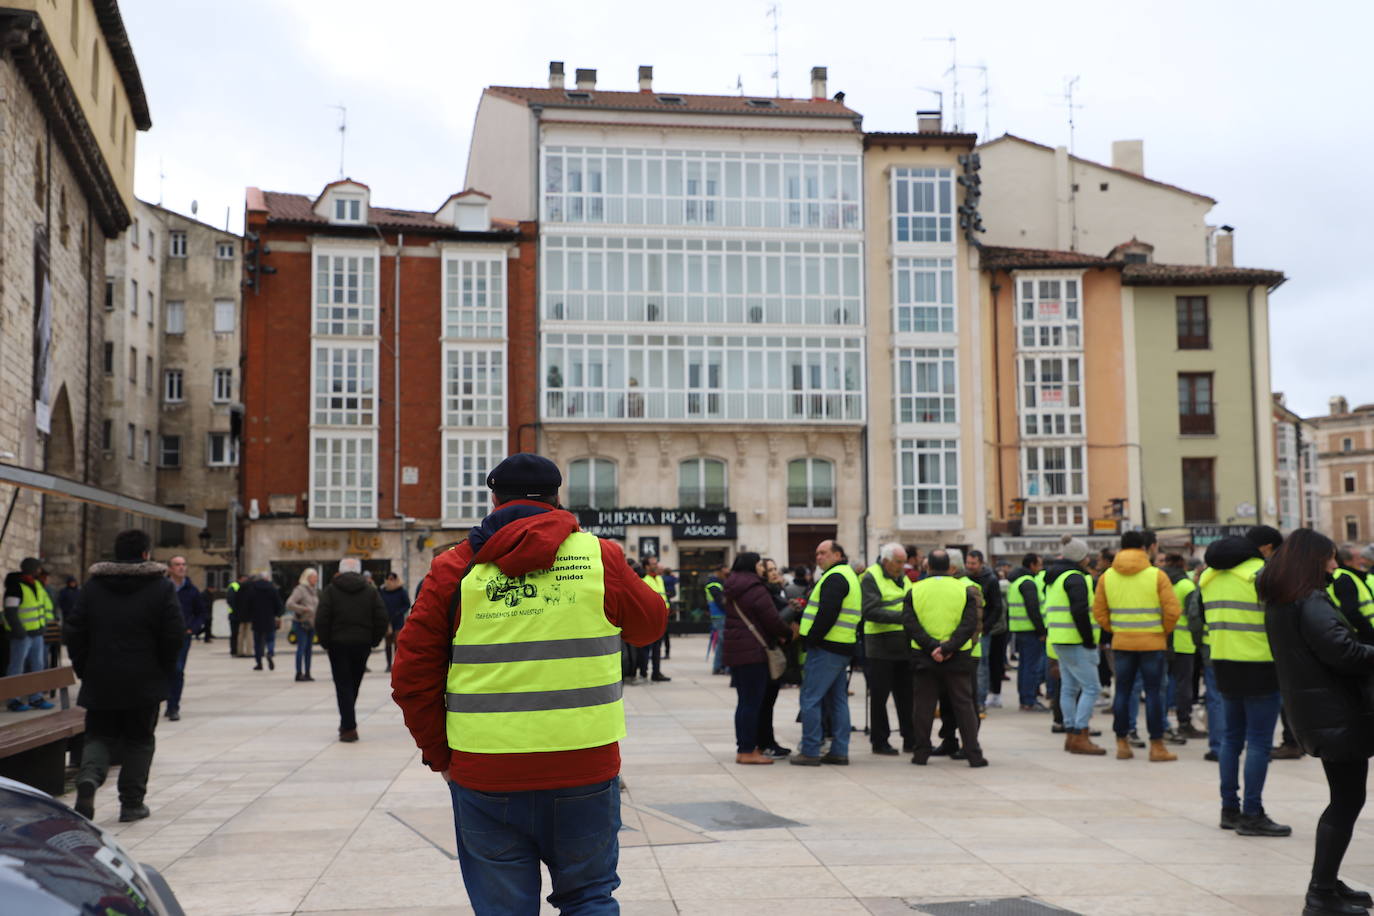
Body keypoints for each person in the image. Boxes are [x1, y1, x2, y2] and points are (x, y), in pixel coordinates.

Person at [391, 453, 667, 913]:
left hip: (486, 773)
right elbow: (649, 628)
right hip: (585, 767)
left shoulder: (454, 568)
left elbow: (411, 678)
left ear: (494, 499)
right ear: (559, 499)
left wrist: (441, 756)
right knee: (589, 899)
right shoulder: (601, 557)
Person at [1260, 529, 1374, 916]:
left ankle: (1327, 882)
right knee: (1346, 801)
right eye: (1330, 558)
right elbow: (1344, 654)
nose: (1336, 564)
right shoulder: (1309, 601)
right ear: (1313, 559)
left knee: (1344, 799)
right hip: (1337, 713)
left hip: (1319, 711)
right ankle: (1321, 893)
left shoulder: (1284, 600)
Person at [65, 529, 183, 823]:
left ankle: (89, 777)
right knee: (139, 739)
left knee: (99, 734)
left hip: (101, 676)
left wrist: (85, 668)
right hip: (145, 678)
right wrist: (164, 669)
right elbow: (174, 634)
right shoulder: (161, 587)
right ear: (145, 554)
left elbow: (75, 631)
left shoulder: (93, 588)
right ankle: (131, 804)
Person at [1201, 529, 1291, 837]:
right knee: (1259, 742)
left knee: (1231, 740)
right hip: (1260, 665)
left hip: (1224, 662)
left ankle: (1229, 809)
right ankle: (1252, 813)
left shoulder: (1208, 578)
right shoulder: (1261, 575)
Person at [1094, 530, 1181, 762]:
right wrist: (1161, 631)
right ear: (1145, 548)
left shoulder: (1107, 576)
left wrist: (1116, 629)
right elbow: (1173, 610)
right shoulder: (1157, 576)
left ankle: (1122, 743)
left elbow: (1099, 612)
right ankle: (1156, 746)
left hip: (1122, 641)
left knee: (1122, 691)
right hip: (1152, 642)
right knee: (1153, 693)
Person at [906, 549, 985, 767]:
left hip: (924, 656)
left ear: (927, 567)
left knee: (923, 706)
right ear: (951, 567)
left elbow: (910, 623)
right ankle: (974, 754)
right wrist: (949, 647)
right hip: (958, 656)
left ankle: (921, 753)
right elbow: (969, 624)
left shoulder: (915, 589)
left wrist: (933, 647)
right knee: (964, 705)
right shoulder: (965, 589)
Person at [790, 540, 860, 767]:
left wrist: (811, 639)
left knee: (810, 699)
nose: (818, 557)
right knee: (838, 701)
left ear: (838, 555)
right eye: (817, 553)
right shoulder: (847, 575)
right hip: (841, 647)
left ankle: (810, 750)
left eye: (824, 553)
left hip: (826, 648)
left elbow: (827, 613)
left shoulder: (835, 577)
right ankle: (839, 750)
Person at [722, 553, 790, 765]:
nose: (763, 567)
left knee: (744, 702)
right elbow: (772, 619)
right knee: (753, 703)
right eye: (760, 564)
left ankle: (744, 746)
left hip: (737, 651)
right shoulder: (755, 588)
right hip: (754, 652)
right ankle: (747, 750)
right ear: (753, 565)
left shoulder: (733, 586)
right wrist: (787, 633)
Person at [316, 557, 388, 742]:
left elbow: (322, 617)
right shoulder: (370, 591)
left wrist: (325, 642)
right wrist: (374, 640)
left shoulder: (330, 591)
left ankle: (348, 726)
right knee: (353, 683)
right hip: (362, 643)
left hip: (337, 644)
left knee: (343, 685)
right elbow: (381, 617)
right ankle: (348, 724)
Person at [1046, 537, 1106, 755]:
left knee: (1069, 688)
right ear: (1081, 557)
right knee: (1092, 688)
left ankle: (1071, 734)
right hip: (1076, 640)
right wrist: (1089, 639)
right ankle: (1081, 733)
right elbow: (1080, 611)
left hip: (1060, 639)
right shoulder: (1076, 578)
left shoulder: (1054, 578)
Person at [860, 543, 914, 755]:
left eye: (903, 562)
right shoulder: (871, 577)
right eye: (898, 563)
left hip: (904, 643)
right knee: (880, 696)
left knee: (907, 695)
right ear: (886, 562)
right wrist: (905, 617)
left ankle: (911, 739)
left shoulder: (903, 577)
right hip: (880, 644)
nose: (902, 567)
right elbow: (870, 610)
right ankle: (879, 741)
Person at [1163, 553, 1208, 740]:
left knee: (1163, 684)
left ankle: (1162, 723)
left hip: (1163, 639)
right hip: (1184, 641)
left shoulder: (1161, 582)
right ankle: (1184, 723)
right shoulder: (1186, 585)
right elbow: (1194, 615)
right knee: (1185, 685)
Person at [5, 557, 55, 711]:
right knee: (17, 667)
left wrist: (44, 626)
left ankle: (36, 698)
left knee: (37, 666)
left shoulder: (37, 585)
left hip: (37, 634)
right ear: (33, 569)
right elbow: (10, 611)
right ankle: (13, 700)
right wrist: (19, 631)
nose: (40, 570)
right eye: (38, 568)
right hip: (23, 636)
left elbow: (43, 607)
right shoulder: (15, 586)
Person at [164, 556, 208, 722]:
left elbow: (201, 612)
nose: (181, 568)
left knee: (178, 669)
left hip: (183, 636)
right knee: (165, 671)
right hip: (163, 636)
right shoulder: (162, 588)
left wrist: (193, 628)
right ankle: (166, 701)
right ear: (170, 568)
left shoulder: (191, 590)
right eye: (177, 565)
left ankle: (173, 706)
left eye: (183, 564)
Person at [757, 558, 793, 756]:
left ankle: (768, 741)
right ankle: (764, 742)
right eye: (768, 570)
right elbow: (774, 621)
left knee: (769, 701)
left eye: (774, 569)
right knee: (765, 701)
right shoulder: (765, 593)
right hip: (767, 650)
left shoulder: (779, 590)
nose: (773, 573)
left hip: (778, 649)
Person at [1008, 553, 1049, 712]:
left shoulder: (1017, 581)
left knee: (1025, 666)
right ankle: (1029, 700)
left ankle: (1025, 699)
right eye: (1039, 564)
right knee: (1031, 667)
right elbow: (1033, 609)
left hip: (1020, 629)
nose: (1040, 568)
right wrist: (1041, 630)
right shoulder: (1028, 583)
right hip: (1030, 630)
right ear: (1032, 565)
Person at [967, 550, 1007, 710]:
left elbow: (997, 607)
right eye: (968, 563)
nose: (970, 566)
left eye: (973, 563)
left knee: (982, 666)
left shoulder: (991, 580)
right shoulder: (964, 578)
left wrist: (985, 627)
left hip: (983, 630)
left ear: (981, 563)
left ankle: (980, 701)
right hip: (966, 629)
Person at [238, 571, 285, 670]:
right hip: (269, 618)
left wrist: (247, 615)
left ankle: (259, 663)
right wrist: (278, 614)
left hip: (256, 618)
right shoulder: (272, 589)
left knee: (258, 642)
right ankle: (270, 653)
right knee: (270, 639)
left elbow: (248, 604)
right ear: (267, 578)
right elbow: (278, 603)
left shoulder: (252, 589)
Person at [638, 556, 671, 682]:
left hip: (662, 617)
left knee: (658, 647)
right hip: (649, 617)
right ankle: (643, 673)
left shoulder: (659, 579)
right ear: (646, 566)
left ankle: (656, 673)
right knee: (646, 646)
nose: (656, 565)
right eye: (653, 563)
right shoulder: (643, 580)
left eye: (656, 563)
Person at [287, 568, 319, 682]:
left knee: (309, 650)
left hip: (311, 624)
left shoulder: (313, 590)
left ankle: (308, 672)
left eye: (317, 577)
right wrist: (303, 609)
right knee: (302, 648)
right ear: (307, 577)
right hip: (301, 623)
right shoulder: (300, 590)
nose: (316, 579)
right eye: (314, 577)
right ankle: (299, 673)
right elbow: (289, 604)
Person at [381, 571, 411, 672]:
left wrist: (400, 612)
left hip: (398, 620)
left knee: (397, 643)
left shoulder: (401, 591)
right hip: (387, 621)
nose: (390, 581)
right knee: (388, 643)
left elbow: (407, 604)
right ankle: (388, 665)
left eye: (392, 579)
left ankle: (396, 664)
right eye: (389, 579)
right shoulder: (383, 591)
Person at [705, 565, 728, 675]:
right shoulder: (714, 584)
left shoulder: (718, 583)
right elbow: (720, 600)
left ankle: (720, 666)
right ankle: (719, 666)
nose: (726, 574)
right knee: (723, 641)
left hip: (719, 615)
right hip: (719, 615)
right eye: (724, 572)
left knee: (722, 641)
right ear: (718, 572)